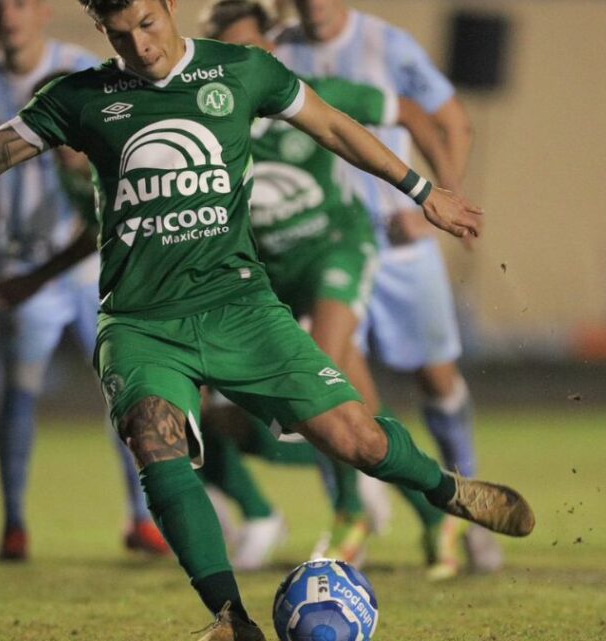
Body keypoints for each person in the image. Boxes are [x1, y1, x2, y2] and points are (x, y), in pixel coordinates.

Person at [0, 1, 534, 638]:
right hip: (140, 322)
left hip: (240, 308)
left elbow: (334, 126)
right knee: (152, 436)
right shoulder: (80, 98)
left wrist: (424, 192)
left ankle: (447, 490)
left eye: (148, 23)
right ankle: (230, 617)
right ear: (101, 31)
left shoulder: (240, 71)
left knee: (356, 436)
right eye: (120, 33)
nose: (141, 44)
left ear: (171, 5)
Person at [196, 0, 461, 570]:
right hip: (272, 277)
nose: (245, 60)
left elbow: (411, 112)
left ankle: (350, 512)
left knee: (326, 373)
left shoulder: (303, 93)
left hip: (336, 252)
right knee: (355, 408)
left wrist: (440, 192)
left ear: (272, 46)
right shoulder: (207, 118)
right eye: (231, 51)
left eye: (254, 47)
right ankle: (438, 517)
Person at [276, 0, 499, 579]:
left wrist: (439, 206)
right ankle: (353, 513)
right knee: (336, 379)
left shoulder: (387, 45)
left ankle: (467, 499)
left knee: (437, 378)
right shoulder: (278, 48)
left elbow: (453, 121)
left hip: (401, 247)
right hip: (331, 247)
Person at [0, 0, 166, 562]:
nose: (9, 15)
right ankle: (14, 523)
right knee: (20, 393)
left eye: (21, 3)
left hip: (98, 267)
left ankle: (143, 519)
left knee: (128, 392)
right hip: (24, 262)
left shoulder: (88, 72)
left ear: (42, 11)